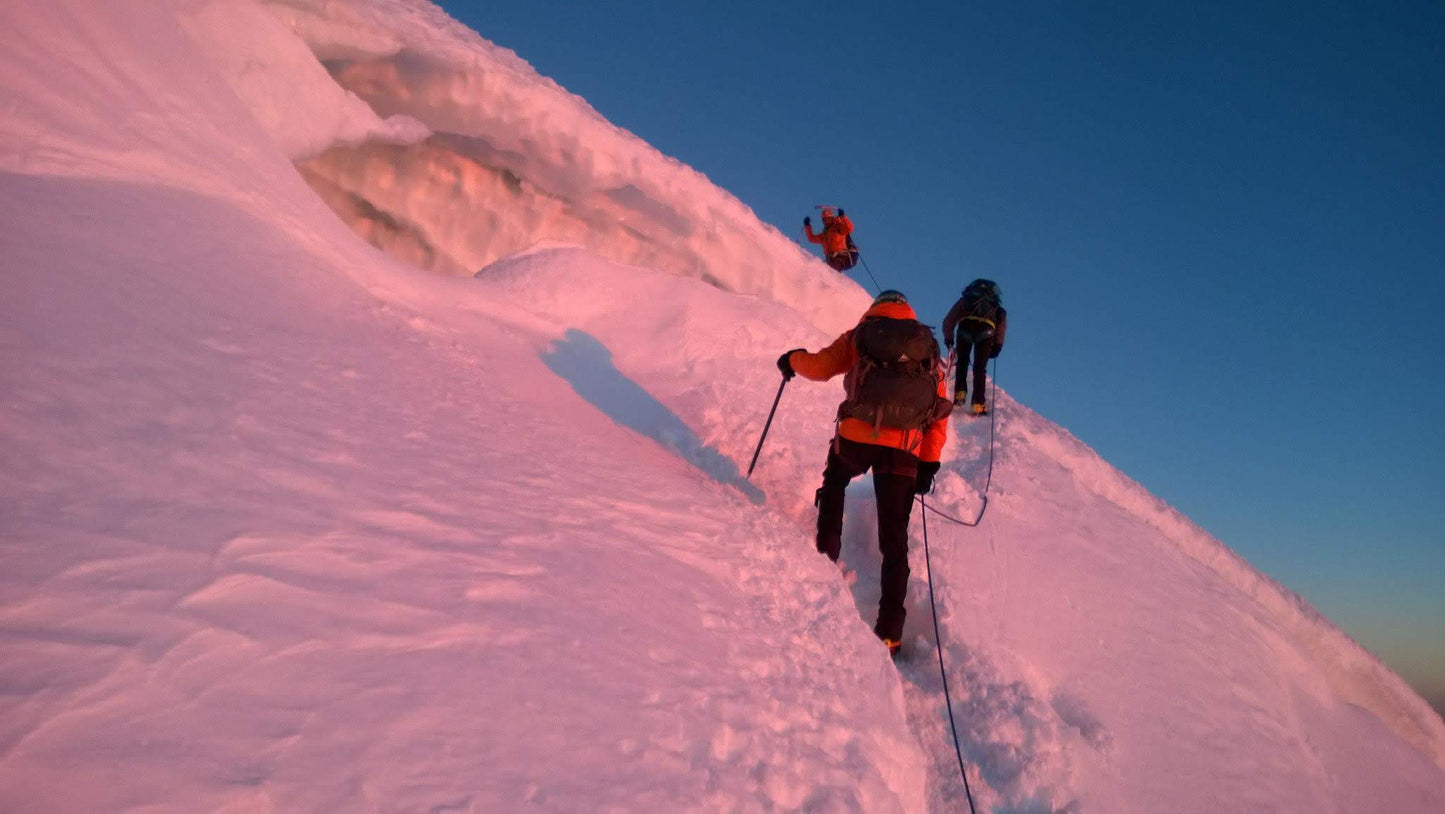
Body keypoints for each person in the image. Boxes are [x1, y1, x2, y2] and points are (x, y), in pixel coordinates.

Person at [776, 290, 951, 656]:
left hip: (856, 435)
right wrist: (928, 461)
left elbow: (821, 367)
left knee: (835, 482)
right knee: (894, 539)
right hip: (904, 447)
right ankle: (890, 632)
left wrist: (792, 360)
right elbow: (937, 408)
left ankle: (825, 559)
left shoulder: (862, 334)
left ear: (877, 307)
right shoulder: (927, 349)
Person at [942, 278, 1007, 415]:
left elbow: (949, 319)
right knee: (979, 367)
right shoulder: (997, 307)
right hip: (986, 332)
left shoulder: (966, 301)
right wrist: (997, 346)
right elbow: (1001, 328)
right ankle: (978, 403)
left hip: (965, 329)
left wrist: (949, 338)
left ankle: (960, 394)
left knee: (962, 362)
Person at [803, 207, 859, 272]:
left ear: (832, 218)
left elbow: (849, 228)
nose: (826, 221)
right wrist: (807, 226)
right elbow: (811, 238)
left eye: (828, 218)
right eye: (824, 219)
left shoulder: (838, 227)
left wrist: (843, 217)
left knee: (830, 270)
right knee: (821, 271)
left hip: (841, 257)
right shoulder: (824, 235)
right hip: (831, 259)